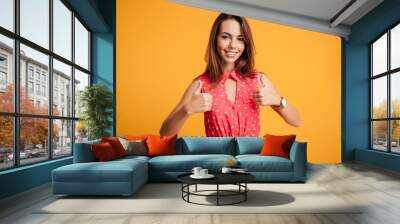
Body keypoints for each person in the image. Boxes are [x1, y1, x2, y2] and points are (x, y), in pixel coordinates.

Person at [159, 13, 301, 137]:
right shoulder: (201, 83)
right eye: (226, 37)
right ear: (215, 39)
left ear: (245, 44)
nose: (233, 45)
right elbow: (165, 133)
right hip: (218, 163)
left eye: (240, 39)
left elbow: (296, 121)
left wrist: (278, 100)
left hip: (250, 162)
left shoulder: (258, 79)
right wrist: (187, 109)